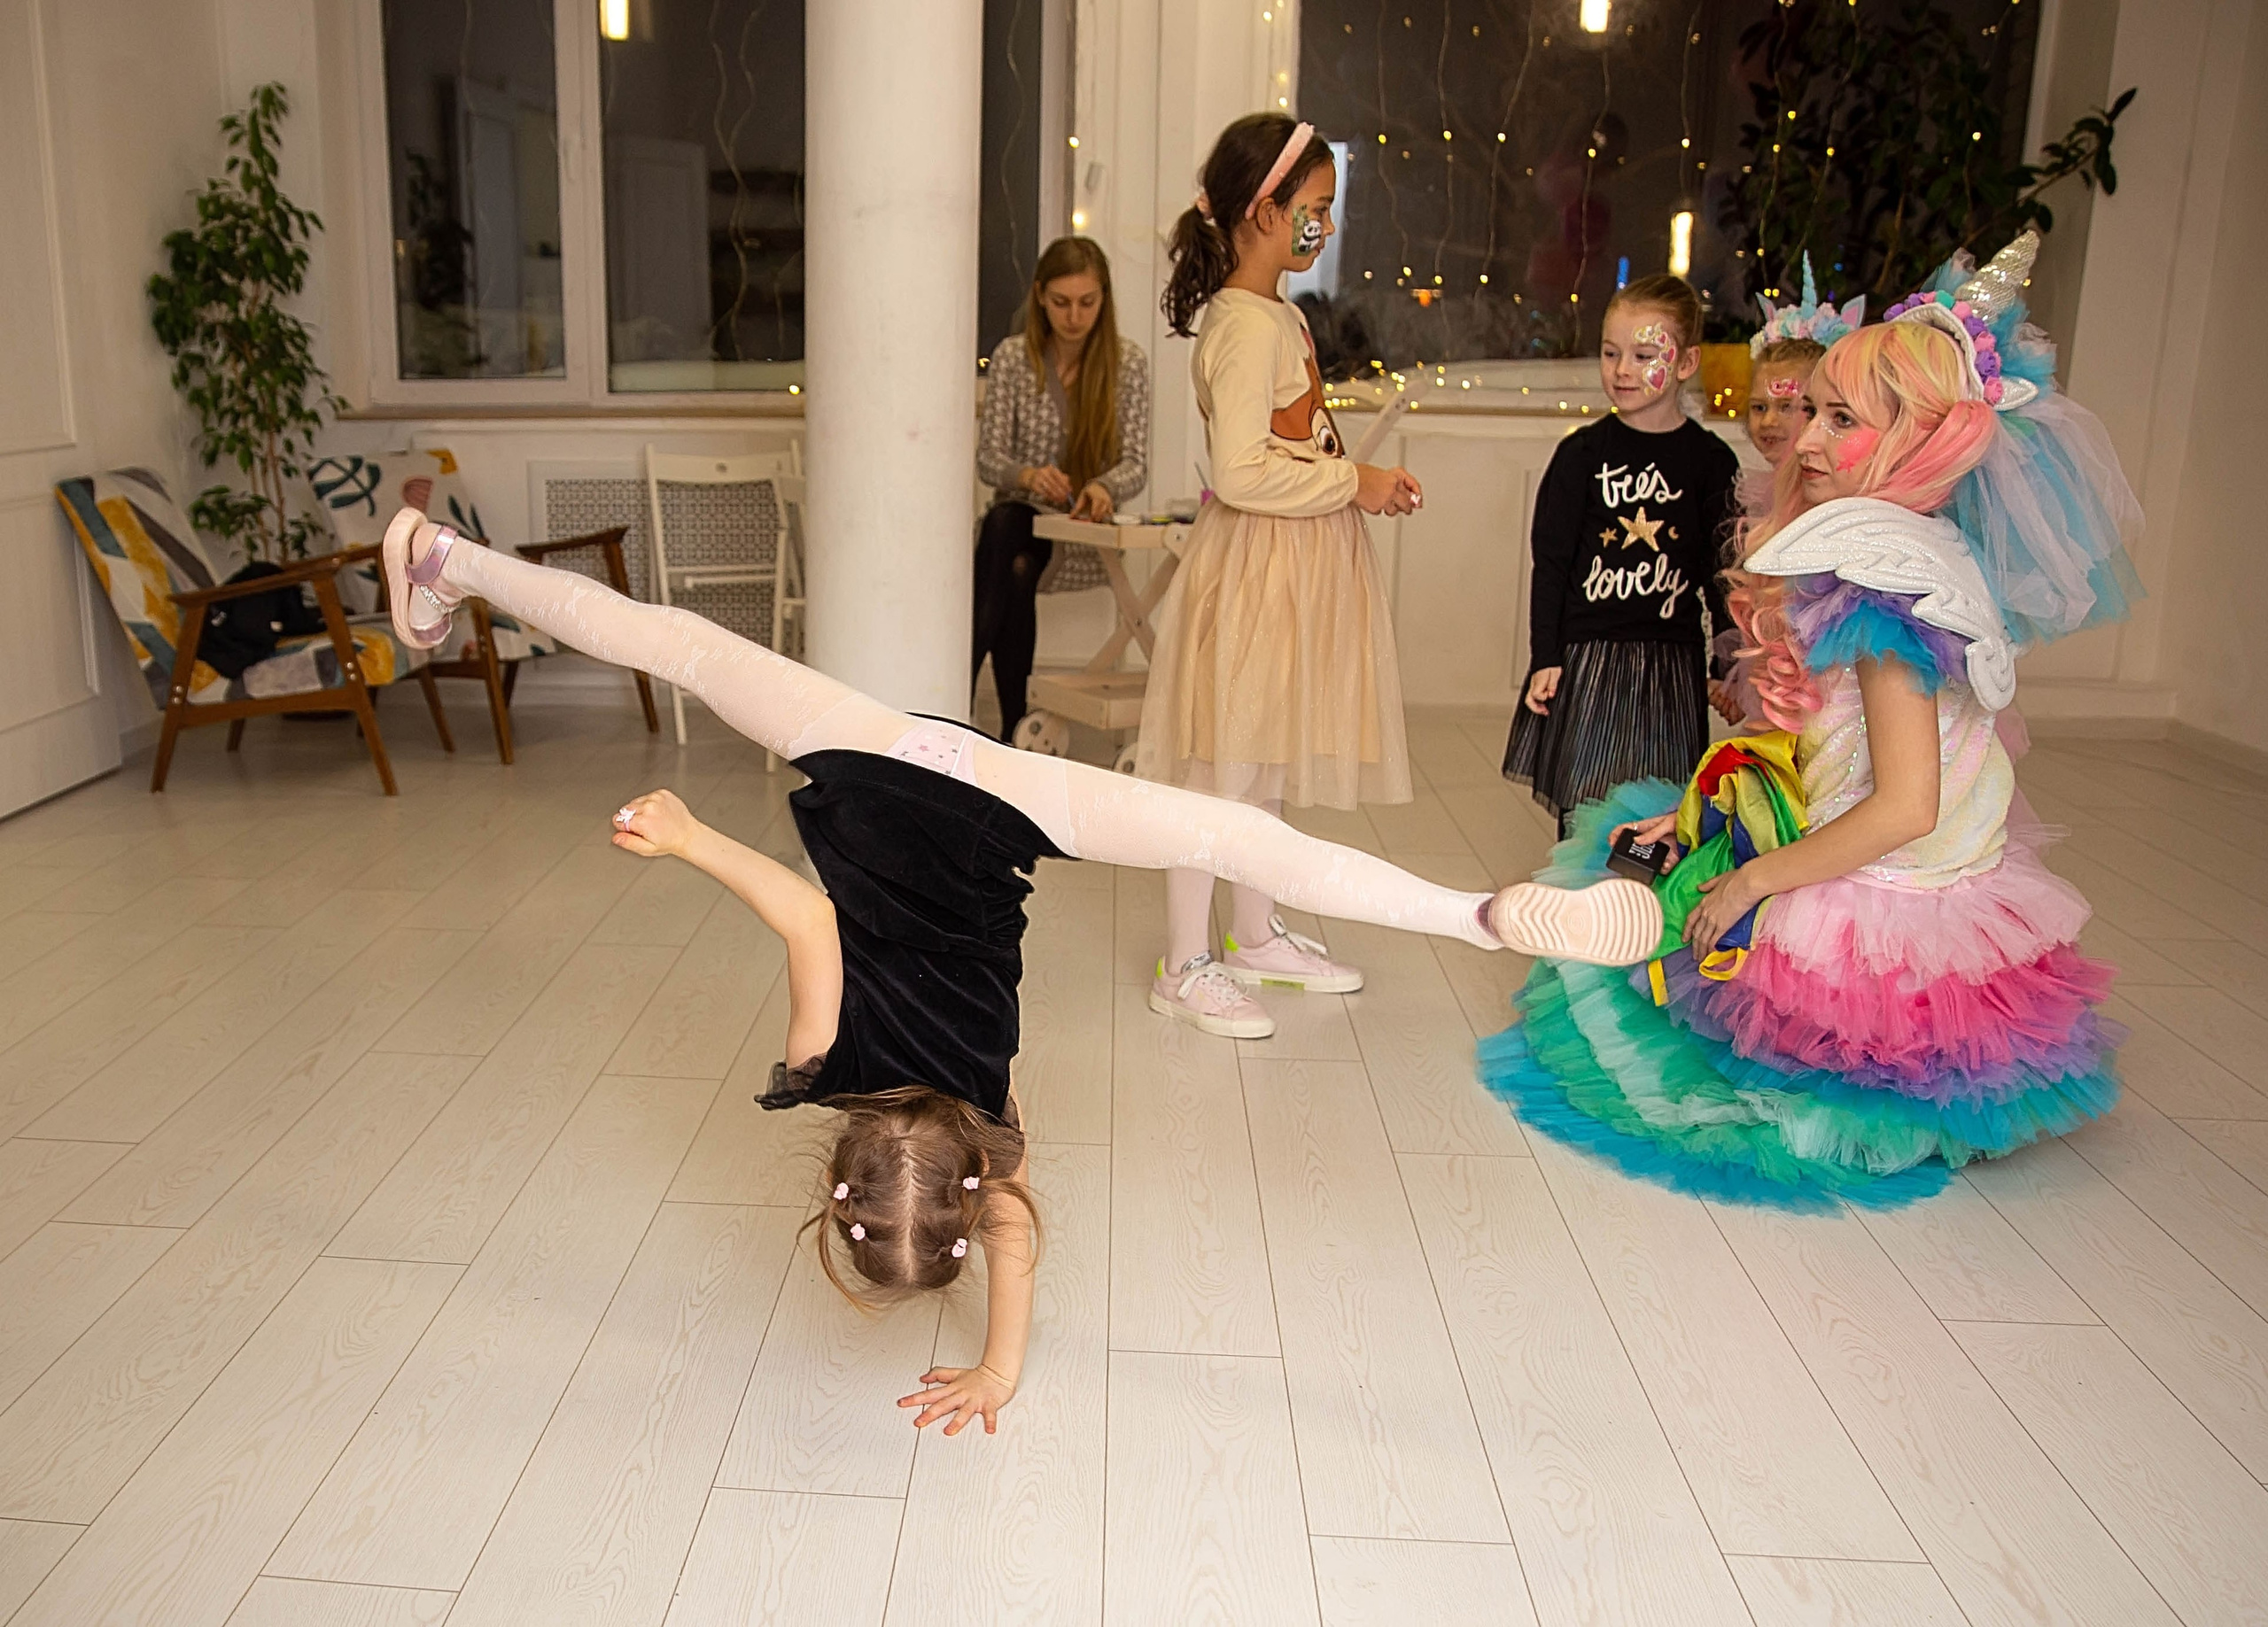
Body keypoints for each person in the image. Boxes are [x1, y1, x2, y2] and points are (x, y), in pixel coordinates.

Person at [377, 509, 1658, 1433]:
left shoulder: (997, 1132)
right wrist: (689, 838)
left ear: (968, 1187)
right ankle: (444, 556)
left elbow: (1016, 1247)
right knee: (677, 644)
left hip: (1002, 802)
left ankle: (1476, 913)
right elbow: (811, 922)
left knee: (1230, 837)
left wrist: (997, 1373)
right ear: (836, 1169)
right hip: (875, 760)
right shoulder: (827, 1068)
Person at [1479, 232, 2145, 1209]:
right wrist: (1706, 813)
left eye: (1840, 420)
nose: (1805, 439)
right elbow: (1826, 751)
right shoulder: (1903, 557)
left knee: (1660, 984)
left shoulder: (1888, 600)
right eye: (1809, 412)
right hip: (1848, 827)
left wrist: (1751, 876)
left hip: (1883, 890)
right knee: (1645, 853)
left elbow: (1905, 807)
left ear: (1917, 442)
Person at [1134, 112, 1425, 1040]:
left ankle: (1253, 934)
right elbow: (1241, 471)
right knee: (1218, 767)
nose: (1326, 226)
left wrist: (1358, 482)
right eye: (1316, 207)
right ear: (1263, 210)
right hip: (1257, 571)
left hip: (1287, 569)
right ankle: (1184, 963)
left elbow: (1293, 444)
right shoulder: (1243, 325)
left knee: (1260, 760)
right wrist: (1354, 482)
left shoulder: (1276, 315)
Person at [1503, 275, 1742, 838]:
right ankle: (1583, 895)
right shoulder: (1581, 455)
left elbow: (1721, 573)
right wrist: (1545, 655)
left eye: (1643, 355)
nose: (1622, 371)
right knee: (1586, 809)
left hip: (1670, 667)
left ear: (1685, 362)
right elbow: (1552, 566)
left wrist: (1727, 664)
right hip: (1589, 660)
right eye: (1611, 354)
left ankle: (1641, 898)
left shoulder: (1710, 461)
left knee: (1660, 815)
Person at [973, 237, 1153, 742]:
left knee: (1008, 553)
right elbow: (989, 460)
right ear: (1039, 298)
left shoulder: (1127, 364)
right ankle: (1013, 733)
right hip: (1018, 528)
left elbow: (1136, 463)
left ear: (1104, 299)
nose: (1074, 317)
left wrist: (1103, 487)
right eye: (1061, 303)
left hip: (1081, 536)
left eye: (1087, 303)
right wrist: (1028, 476)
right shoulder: (1013, 358)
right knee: (1011, 541)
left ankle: (956, 696)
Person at [1713, 258, 1863, 724]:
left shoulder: (1827, 494)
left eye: (1788, 407)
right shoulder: (1761, 492)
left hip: (1821, 677)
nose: (1770, 421)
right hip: (1775, 664)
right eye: (1760, 407)